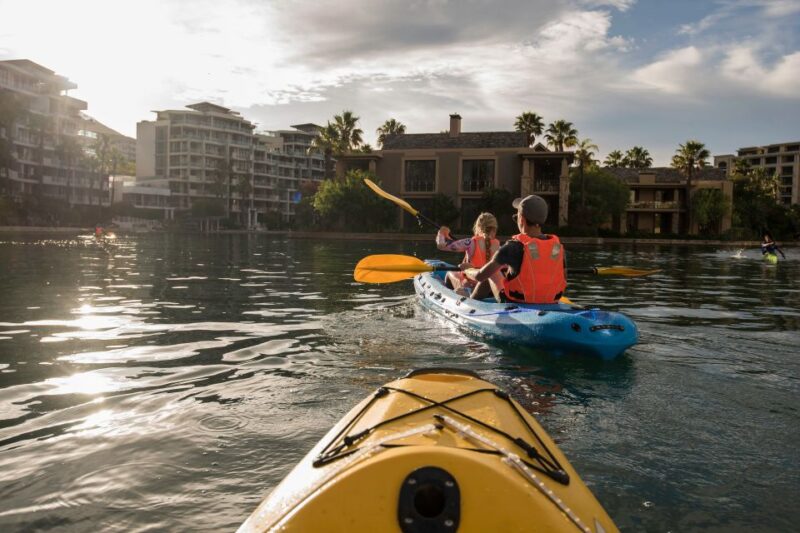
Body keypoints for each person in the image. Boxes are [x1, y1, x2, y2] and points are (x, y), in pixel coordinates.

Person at [464, 195, 566, 303]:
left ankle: (470, 304)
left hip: (516, 301)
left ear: (521, 219)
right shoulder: (557, 248)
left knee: (492, 272)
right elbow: (563, 277)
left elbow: (480, 276)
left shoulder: (512, 247)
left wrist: (467, 270)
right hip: (550, 301)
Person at [436, 213, 500, 294]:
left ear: (478, 227)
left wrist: (442, 232)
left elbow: (441, 246)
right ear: (494, 230)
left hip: (470, 284)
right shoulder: (499, 247)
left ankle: (450, 295)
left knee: (449, 273)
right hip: (490, 286)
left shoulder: (470, 242)